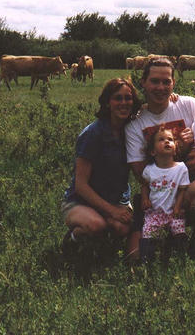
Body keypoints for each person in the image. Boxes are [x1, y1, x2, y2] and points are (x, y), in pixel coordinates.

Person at [125, 57, 195, 260]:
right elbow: (140, 173)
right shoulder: (135, 123)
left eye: (166, 82)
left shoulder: (189, 105)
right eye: (154, 81)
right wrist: (183, 147)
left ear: (174, 83)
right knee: (136, 258)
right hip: (157, 193)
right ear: (143, 82)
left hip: (188, 188)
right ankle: (164, 232)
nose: (161, 87)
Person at [61, 78, 141, 256]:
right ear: (107, 102)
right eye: (117, 98)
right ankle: (73, 240)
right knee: (96, 226)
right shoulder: (93, 134)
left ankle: (101, 246)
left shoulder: (132, 131)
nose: (123, 103)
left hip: (117, 199)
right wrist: (112, 211)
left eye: (128, 98)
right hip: (81, 201)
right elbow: (81, 186)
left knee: (122, 228)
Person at [139, 126, 190, 262]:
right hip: (154, 212)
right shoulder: (150, 170)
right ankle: (147, 262)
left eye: (170, 139)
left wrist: (178, 207)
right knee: (148, 231)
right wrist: (144, 198)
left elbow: (182, 190)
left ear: (175, 148)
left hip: (173, 212)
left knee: (178, 228)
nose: (167, 142)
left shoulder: (181, 168)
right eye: (161, 140)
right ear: (153, 151)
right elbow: (144, 185)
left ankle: (181, 258)